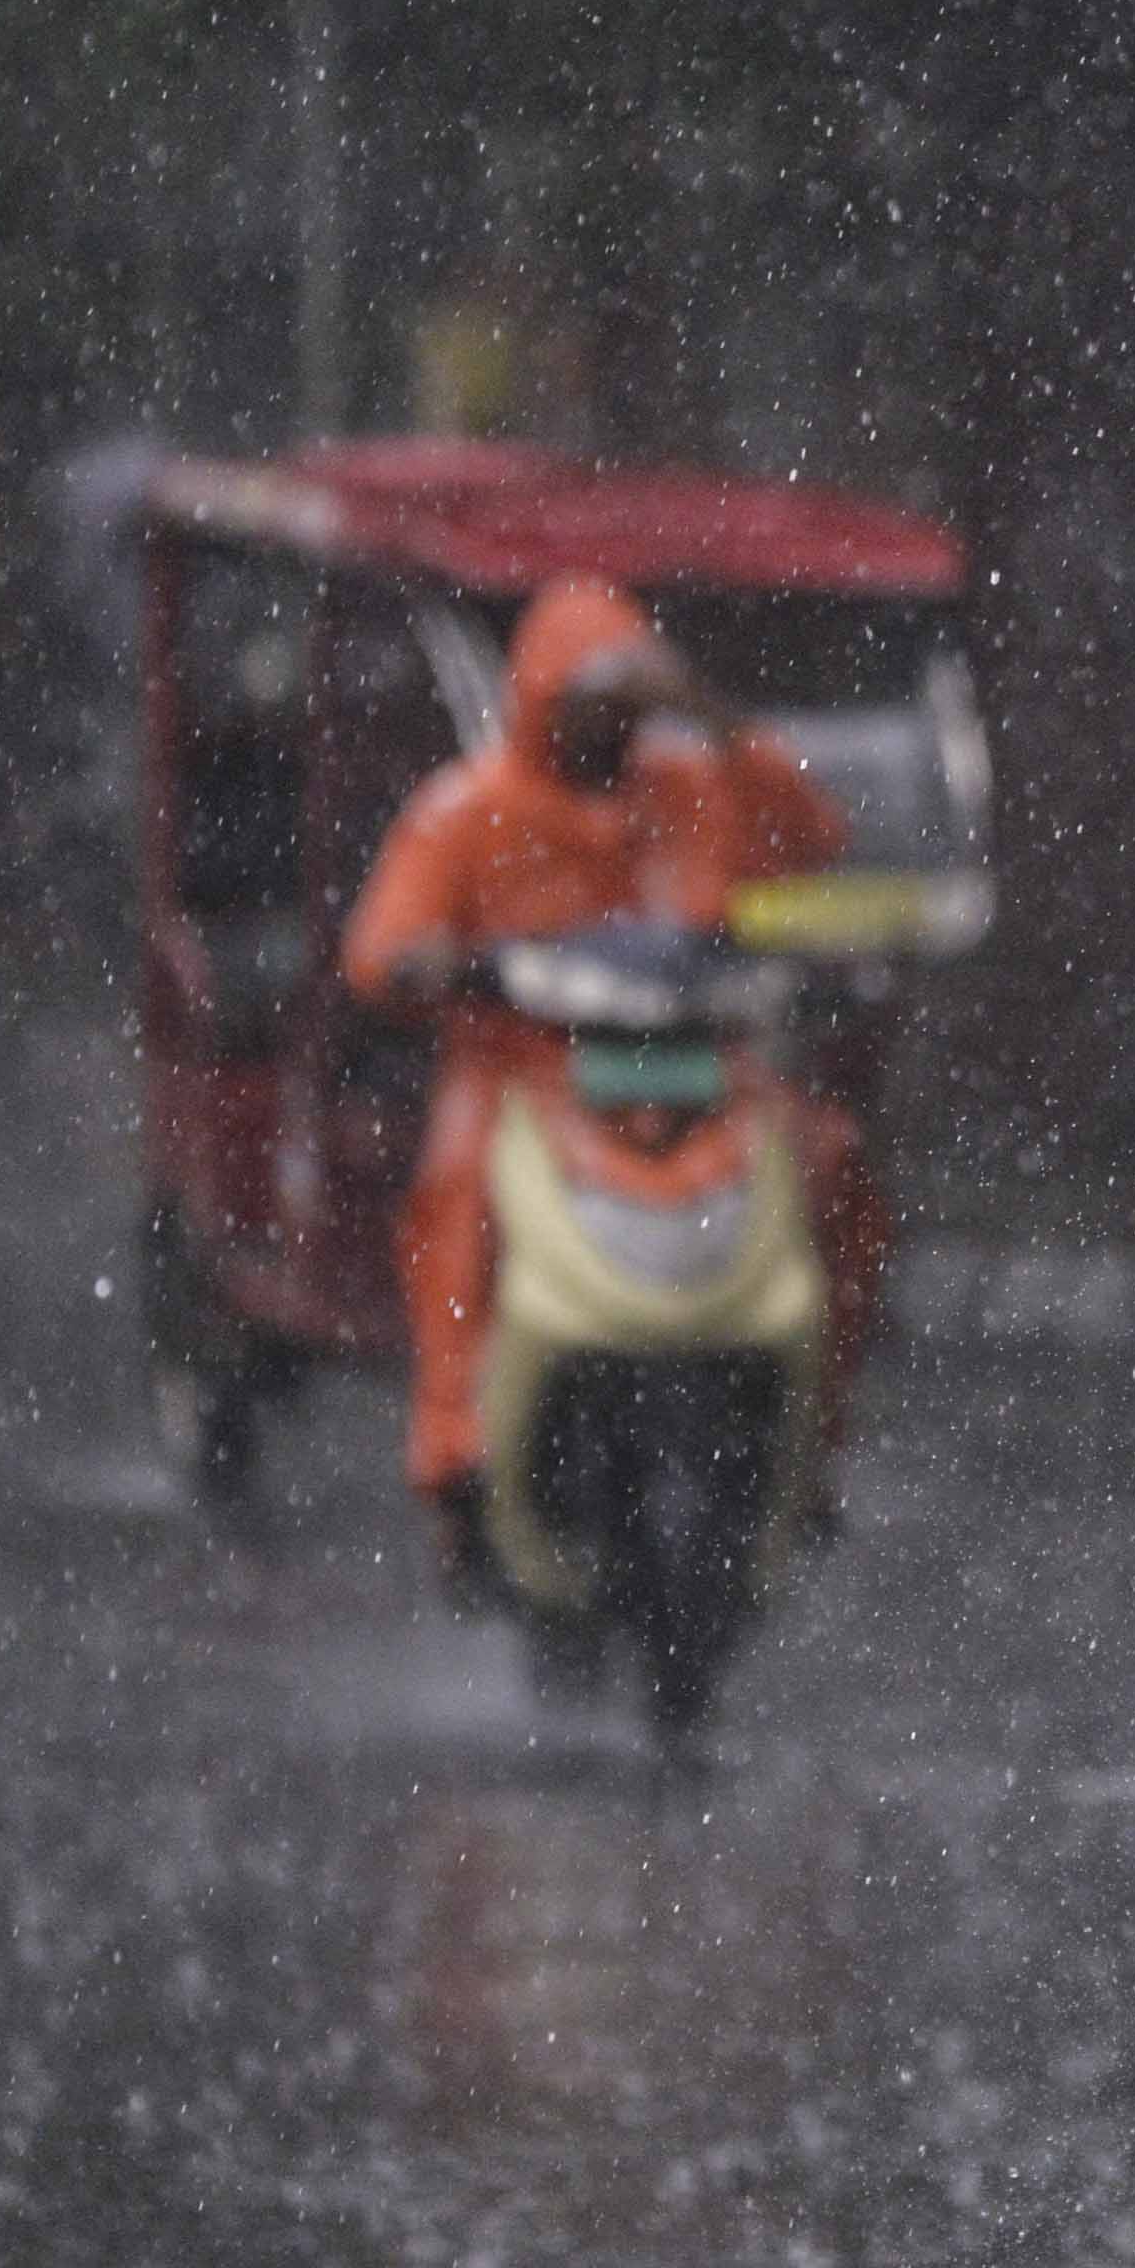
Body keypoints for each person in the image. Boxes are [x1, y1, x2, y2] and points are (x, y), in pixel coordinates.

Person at [340, 577, 878, 1590]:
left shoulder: (692, 791)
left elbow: (813, 839)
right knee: (458, 1198)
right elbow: (382, 948)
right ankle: (457, 1449)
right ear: (544, 703)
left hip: (701, 1073)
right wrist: (438, 966)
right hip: (527, 1076)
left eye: (634, 704)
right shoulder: (469, 810)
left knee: (833, 1164)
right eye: (597, 703)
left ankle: (813, 1441)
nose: (618, 727)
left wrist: (715, 721)